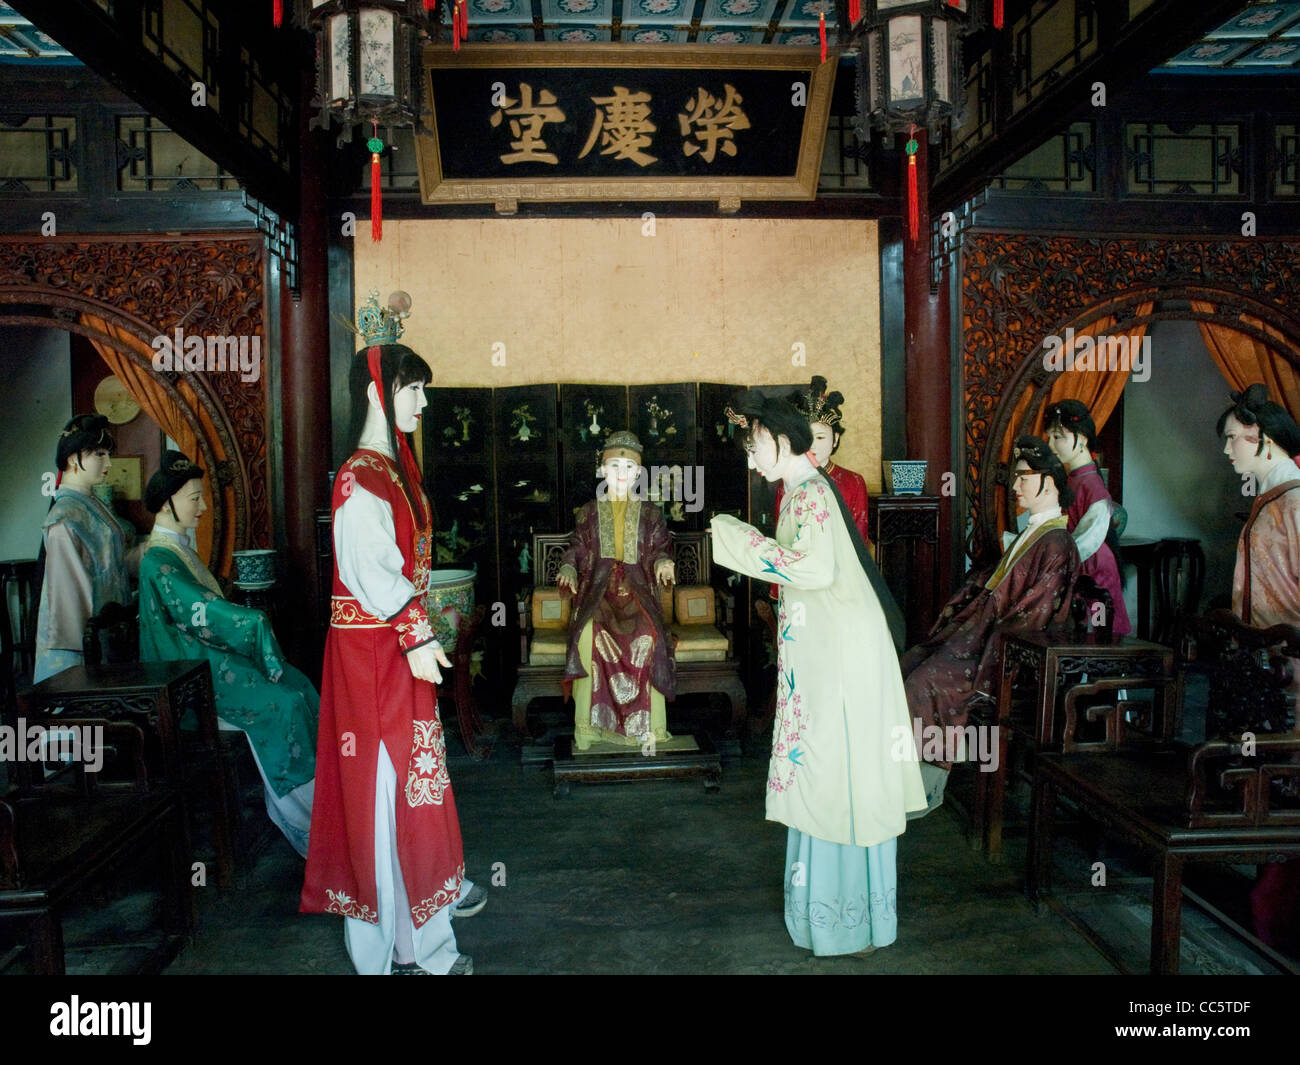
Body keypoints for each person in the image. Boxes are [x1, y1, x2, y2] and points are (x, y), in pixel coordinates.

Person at [709, 392, 925, 957]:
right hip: (837, 650)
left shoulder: (809, 495)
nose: (752, 461)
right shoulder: (805, 490)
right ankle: (843, 920)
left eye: (755, 447)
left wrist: (733, 535)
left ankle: (842, 925)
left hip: (843, 661)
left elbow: (814, 567)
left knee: (836, 778)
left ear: (783, 441)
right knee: (833, 775)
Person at [301, 344, 483, 976]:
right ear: (379, 391)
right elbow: (370, 570)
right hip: (371, 659)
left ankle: (427, 948)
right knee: (378, 802)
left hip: (399, 652)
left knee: (418, 791)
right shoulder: (360, 478)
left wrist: (415, 637)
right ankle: (385, 957)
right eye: (414, 390)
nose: (424, 403)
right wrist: (418, 632)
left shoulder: (395, 471)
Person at [137, 452, 317, 856]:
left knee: (299, 685)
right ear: (166, 502)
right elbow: (200, 612)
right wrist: (252, 623)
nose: (202, 508)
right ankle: (306, 821)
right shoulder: (158, 561)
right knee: (282, 703)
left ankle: (321, 807)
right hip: (192, 675)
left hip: (207, 662)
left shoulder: (177, 551)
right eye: (194, 499)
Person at [902, 436, 1080, 814]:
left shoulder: (1057, 544)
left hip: (1004, 653)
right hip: (978, 638)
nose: (1014, 487)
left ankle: (923, 789)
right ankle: (901, 778)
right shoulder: (1035, 533)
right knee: (908, 663)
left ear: (1049, 481)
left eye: (1023, 478)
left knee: (924, 683)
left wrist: (980, 639)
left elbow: (1034, 617)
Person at [1217, 383, 1300, 952]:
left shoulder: (1294, 502)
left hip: (1291, 670)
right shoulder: (1273, 497)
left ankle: (1276, 917)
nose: (1226, 451)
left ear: (1261, 438)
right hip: (1265, 667)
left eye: (1231, 439)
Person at [555, 430, 676, 751]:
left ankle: (648, 729)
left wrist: (663, 561)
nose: (621, 473)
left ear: (638, 472)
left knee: (650, 636)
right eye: (614, 466)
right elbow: (577, 547)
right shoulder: (588, 512)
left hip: (637, 594)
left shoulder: (651, 513)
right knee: (588, 637)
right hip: (598, 593)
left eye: (628, 467)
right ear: (602, 470)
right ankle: (592, 730)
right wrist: (568, 566)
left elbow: (661, 547)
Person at [33, 414, 136, 683]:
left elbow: (115, 560)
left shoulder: (91, 504)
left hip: (108, 629)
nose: (109, 463)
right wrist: (86, 645)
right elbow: (67, 599)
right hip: (81, 642)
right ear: (71, 459)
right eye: (99, 455)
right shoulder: (65, 518)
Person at [1043, 400, 1131, 635]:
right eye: (1049, 437)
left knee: (1096, 630)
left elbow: (1087, 538)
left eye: (1057, 437)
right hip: (1076, 559)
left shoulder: (1092, 485)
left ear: (1081, 439)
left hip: (1092, 563)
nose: (1051, 444)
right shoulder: (1074, 478)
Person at [774, 376, 871, 548]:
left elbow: (859, 534)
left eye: (820, 437)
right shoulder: (789, 480)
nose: (812, 445)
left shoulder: (853, 482)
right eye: (807, 437)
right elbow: (782, 535)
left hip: (842, 562)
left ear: (835, 439)